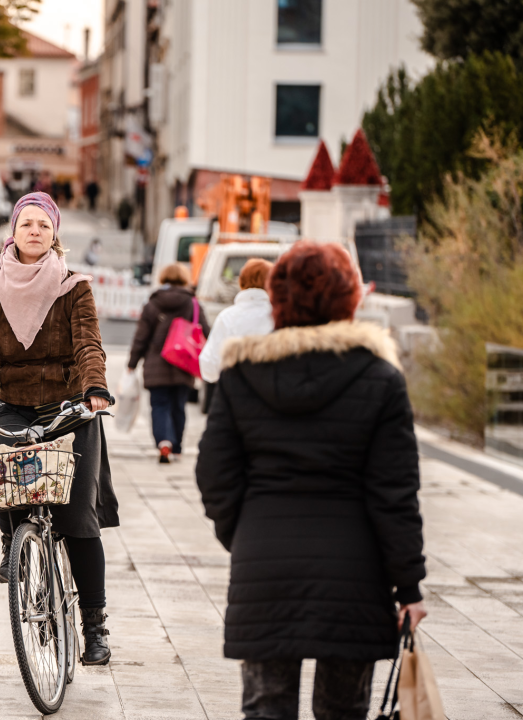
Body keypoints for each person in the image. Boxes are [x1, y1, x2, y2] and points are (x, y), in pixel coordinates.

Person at [195, 242, 426, 720]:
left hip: (264, 566)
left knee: (266, 708)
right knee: (343, 711)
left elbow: (214, 475)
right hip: (355, 573)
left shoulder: (242, 374)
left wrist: (243, 534)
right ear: (350, 299)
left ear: (278, 299)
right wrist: (409, 587)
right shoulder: (380, 379)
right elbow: (394, 495)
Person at [0, 191, 119, 665]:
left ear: (54, 233)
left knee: (79, 521)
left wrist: (94, 391)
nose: (35, 232)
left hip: (67, 406)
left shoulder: (73, 286)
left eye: (43, 225)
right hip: (14, 404)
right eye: (26, 224)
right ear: (13, 231)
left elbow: (89, 344)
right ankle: (13, 541)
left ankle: (95, 627)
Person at [126, 263, 210, 464]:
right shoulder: (193, 303)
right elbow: (207, 332)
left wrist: (132, 362)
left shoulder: (152, 304)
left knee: (159, 405)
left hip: (157, 364)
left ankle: (164, 442)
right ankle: (178, 448)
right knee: (178, 406)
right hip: (184, 364)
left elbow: (141, 337)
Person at [198, 258, 274, 384]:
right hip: (272, 392)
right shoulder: (278, 316)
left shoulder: (227, 316)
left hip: (235, 391)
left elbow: (210, 365)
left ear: (241, 282)